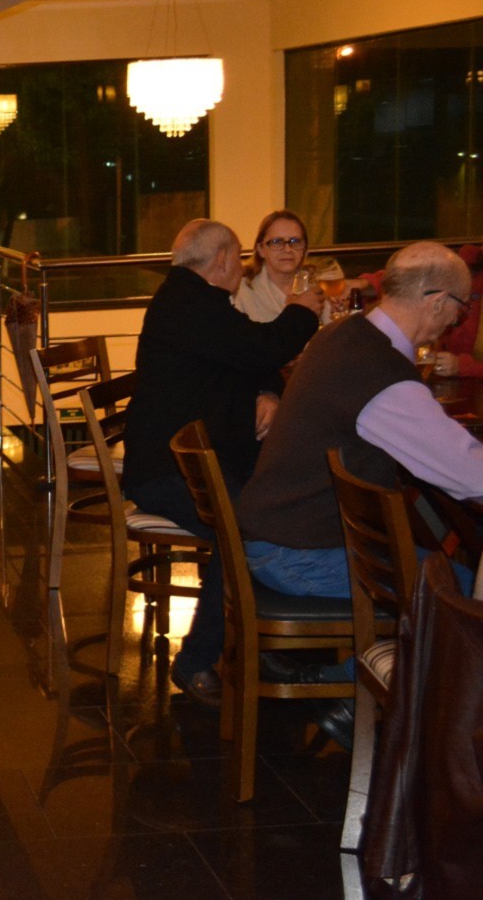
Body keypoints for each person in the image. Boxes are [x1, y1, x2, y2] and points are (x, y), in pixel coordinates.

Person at [122, 219, 321, 705]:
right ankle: (197, 660)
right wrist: (301, 311)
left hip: (199, 458)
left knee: (280, 504)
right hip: (164, 471)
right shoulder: (189, 304)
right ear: (225, 259)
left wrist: (268, 392)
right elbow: (262, 346)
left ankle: (256, 641)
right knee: (242, 530)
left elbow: (248, 354)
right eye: (239, 258)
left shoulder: (194, 300)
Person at [240, 242, 483, 601]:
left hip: (276, 533)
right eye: (459, 311)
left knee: (447, 567)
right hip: (296, 555)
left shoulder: (343, 334)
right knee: (463, 591)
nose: (454, 322)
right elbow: (470, 474)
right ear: (437, 302)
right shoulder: (380, 372)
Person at [355, 244, 483, 379]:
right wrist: (366, 283)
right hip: (424, 369)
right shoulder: (470, 263)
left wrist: (465, 366)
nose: (453, 319)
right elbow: (416, 276)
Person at [233, 209, 312, 322]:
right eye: (277, 242)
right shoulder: (242, 292)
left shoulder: (314, 286)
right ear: (261, 249)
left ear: (304, 248)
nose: (287, 249)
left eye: (295, 241)